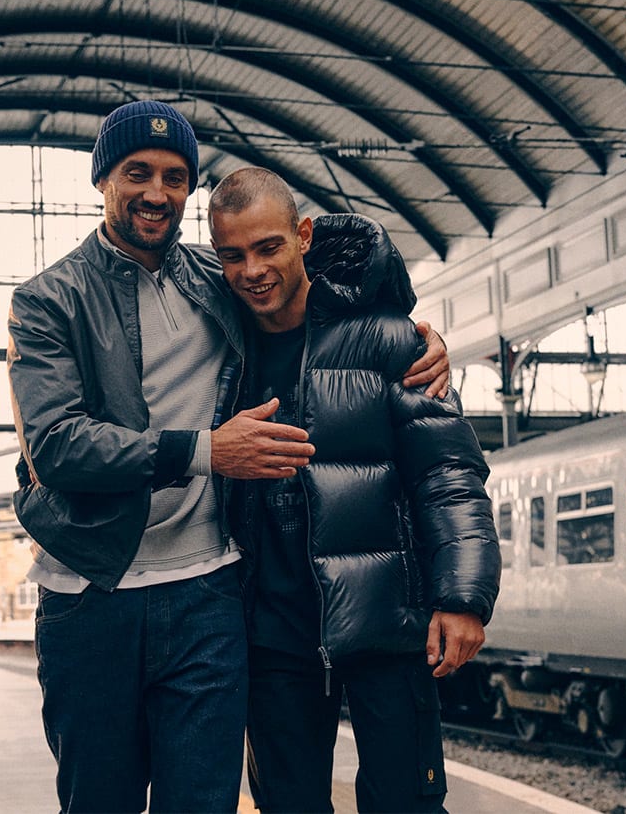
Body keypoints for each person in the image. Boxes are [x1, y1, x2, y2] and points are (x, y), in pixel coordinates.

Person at [6, 100, 449, 814]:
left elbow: (322, 268)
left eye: (175, 177)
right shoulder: (47, 301)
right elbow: (56, 446)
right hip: (92, 594)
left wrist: (408, 334)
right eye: (137, 173)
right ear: (102, 179)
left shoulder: (215, 277)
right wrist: (208, 451)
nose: (157, 192)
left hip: (208, 592)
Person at [208, 166, 501, 814]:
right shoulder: (217, 350)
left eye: (268, 247)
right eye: (232, 255)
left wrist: (463, 597)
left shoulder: (389, 339)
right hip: (270, 635)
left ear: (304, 236)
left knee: (405, 803)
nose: (252, 270)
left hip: (388, 620)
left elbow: (447, 475)